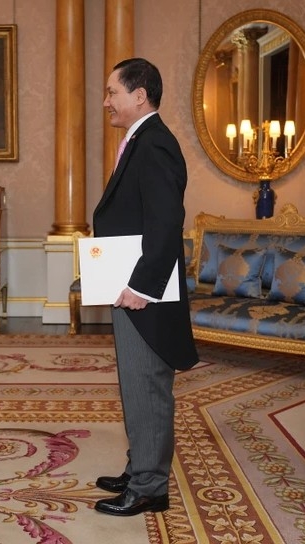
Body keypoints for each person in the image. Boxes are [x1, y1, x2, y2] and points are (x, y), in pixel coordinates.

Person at [92, 58, 199, 517]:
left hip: (145, 294)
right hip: (132, 286)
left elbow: (165, 222)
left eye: (112, 92)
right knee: (136, 385)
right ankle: (140, 467)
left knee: (148, 386)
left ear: (139, 95)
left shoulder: (155, 144)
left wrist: (141, 286)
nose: (106, 101)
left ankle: (151, 486)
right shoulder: (140, 140)